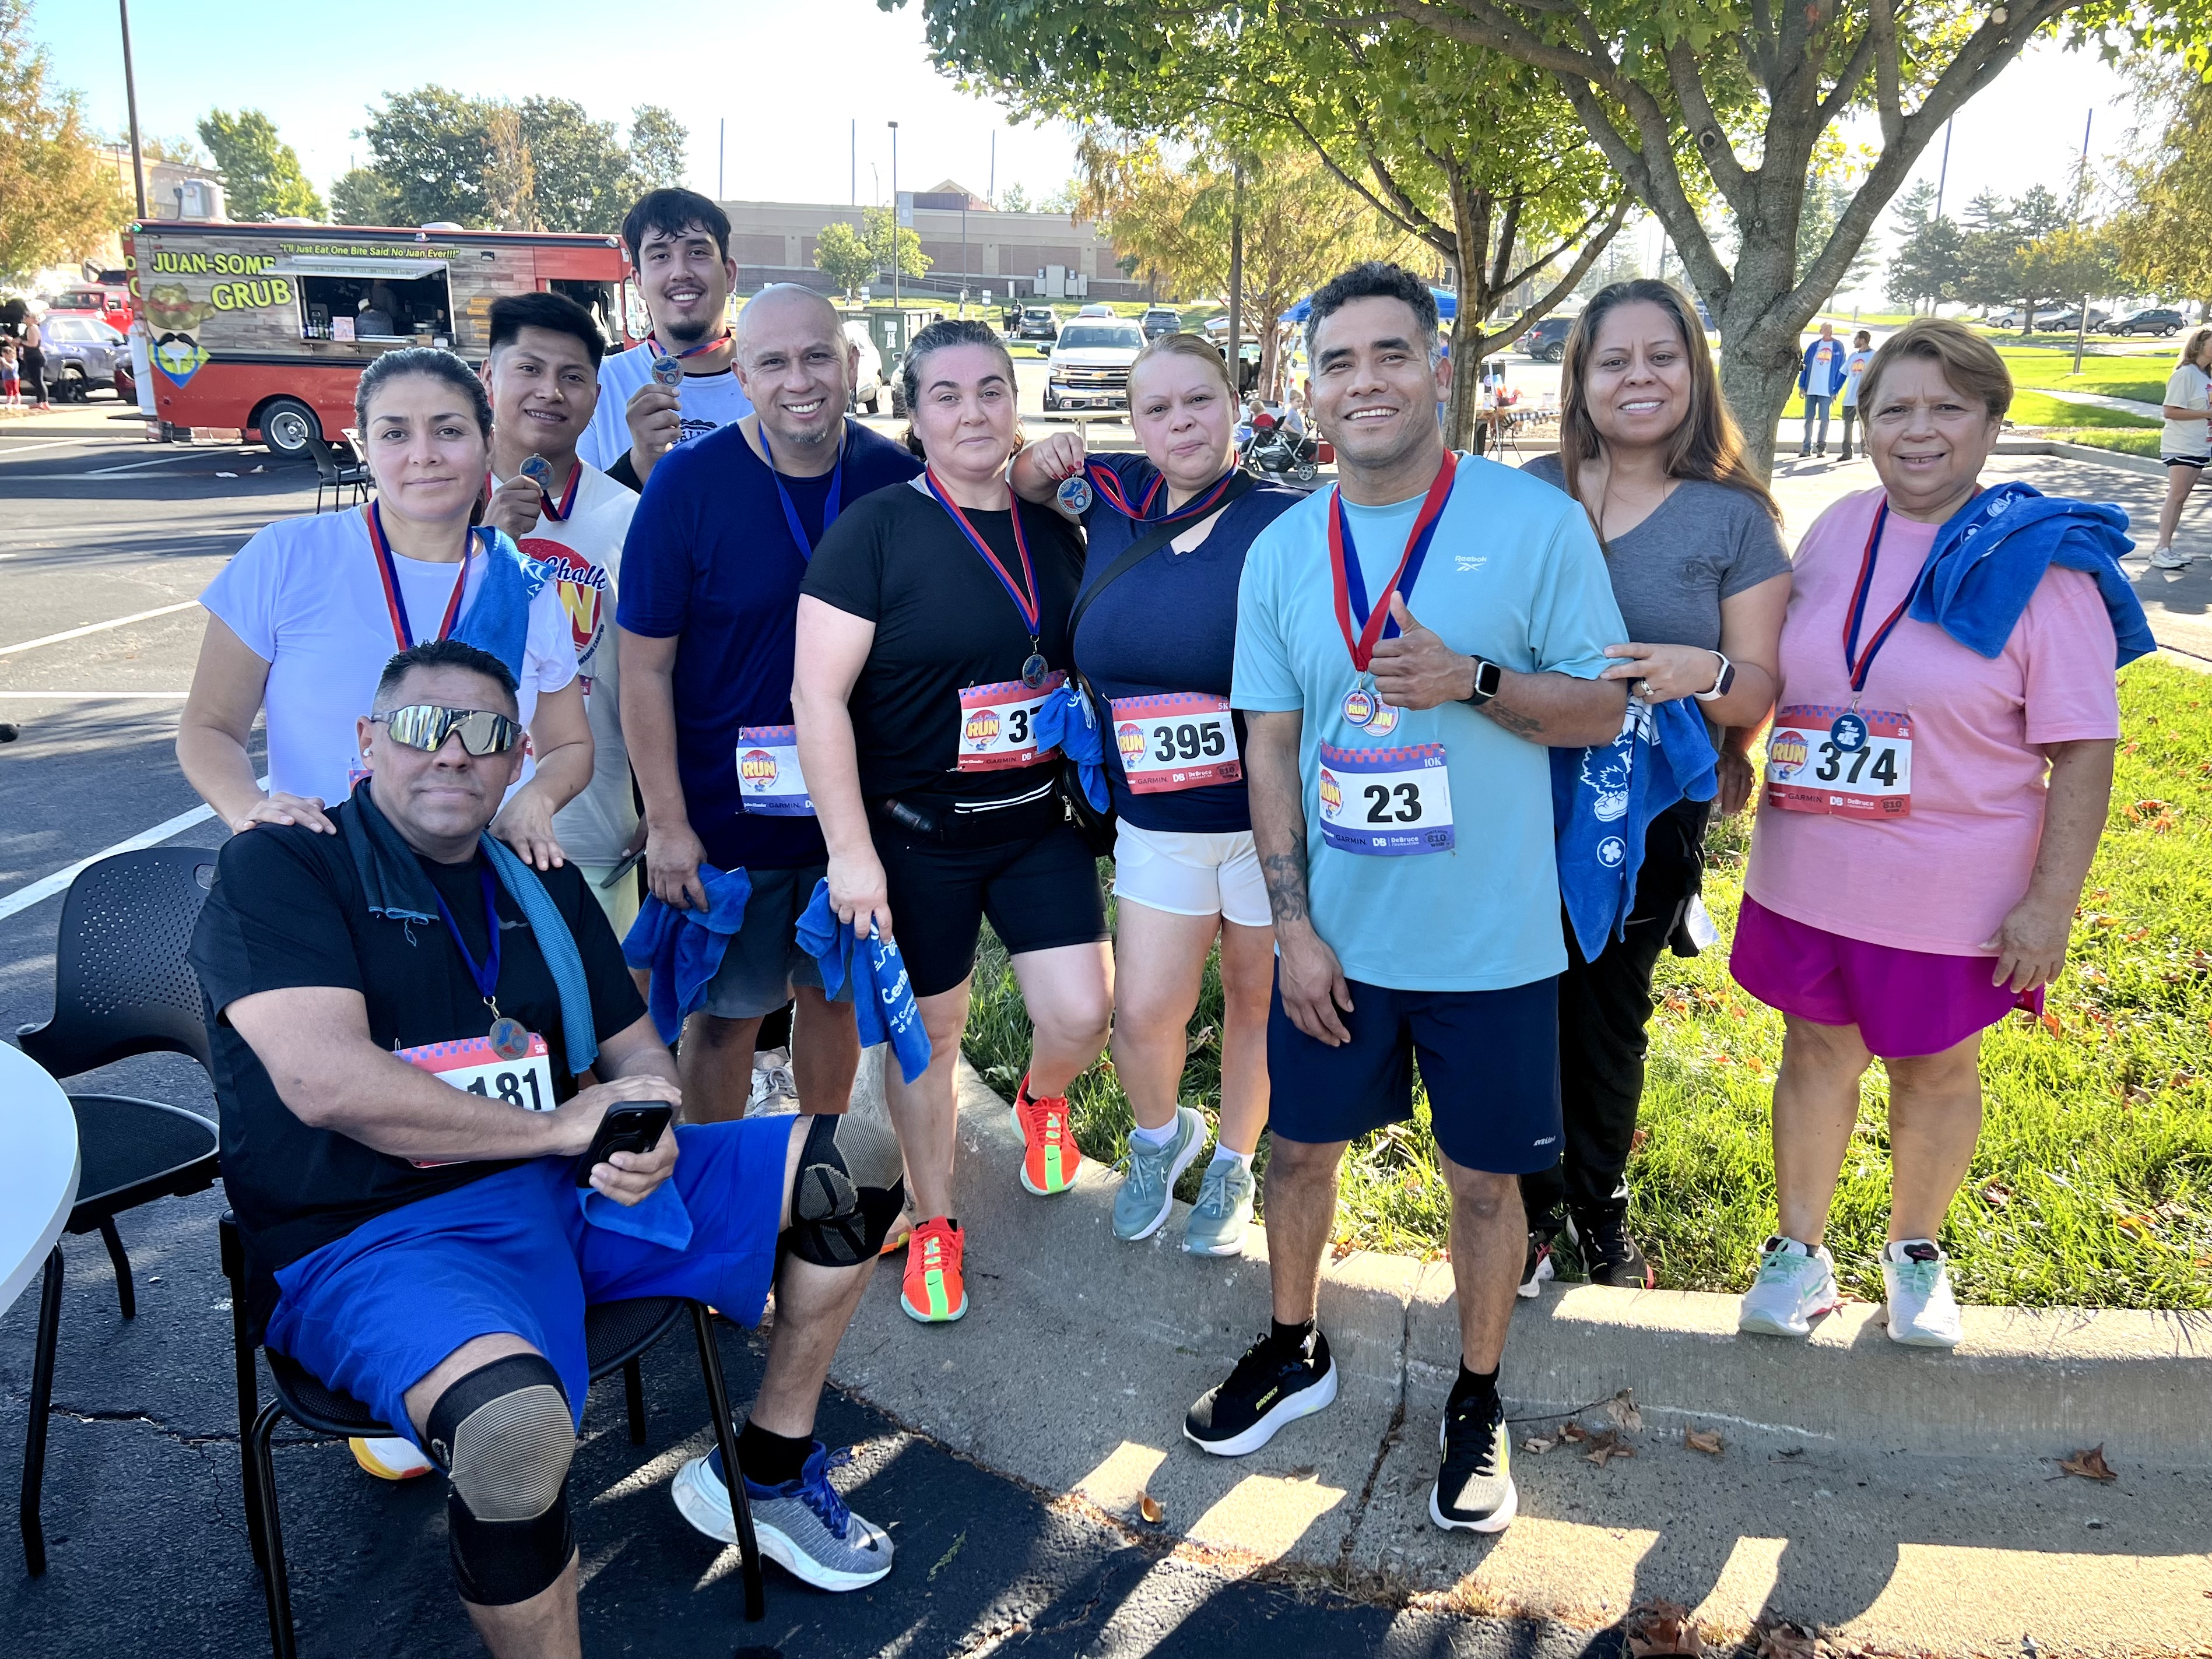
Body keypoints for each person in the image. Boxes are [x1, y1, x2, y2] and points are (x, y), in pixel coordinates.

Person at [191, 640, 901, 1658]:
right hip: (376, 1237)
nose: (451, 755)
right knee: (512, 1432)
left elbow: (641, 1058)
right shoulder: (284, 864)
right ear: (367, 741)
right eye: (423, 726)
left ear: (516, 756)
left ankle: (770, 1468)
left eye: (482, 734)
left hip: (569, 1192)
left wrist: (648, 1131)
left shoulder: (538, 880)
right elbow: (324, 1082)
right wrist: (560, 1128)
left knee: (854, 1166)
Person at [1191, 263, 1626, 1538]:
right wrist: (1294, 928)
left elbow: (1603, 708)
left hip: (1490, 945)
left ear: (1441, 369)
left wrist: (1474, 678)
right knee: (1297, 1150)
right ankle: (1292, 1345)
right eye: (1339, 362)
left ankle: (1477, 1397)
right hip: (1341, 942)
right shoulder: (1283, 550)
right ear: (1309, 388)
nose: (1365, 381)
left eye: (1391, 355)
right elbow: (1268, 745)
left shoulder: (1531, 524)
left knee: (1484, 1186)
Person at [1734, 319, 2136, 1349]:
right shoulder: (1834, 528)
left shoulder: (2041, 565)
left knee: (1932, 1067)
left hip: (1949, 887)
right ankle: (1798, 1250)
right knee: (1814, 1052)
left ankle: (1913, 1250)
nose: (1917, 432)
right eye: (1893, 409)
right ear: (1863, 423)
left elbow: (2083, 749)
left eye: (1946, 408)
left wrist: (2047, 905)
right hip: (1807, 868)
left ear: (1990, 423)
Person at [793, 319, 1112, 1324]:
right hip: (913, 833)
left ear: (1014, 400)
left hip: (1033, 820)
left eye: (989, 390)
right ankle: (934, 1220)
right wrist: (850, 851)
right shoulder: (877, 530)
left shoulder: (1057, 525)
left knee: (1078, 1014)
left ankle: (1040, 1096)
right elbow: (815, 697)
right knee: (927, 1040)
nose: (970, 412)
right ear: (913, 410)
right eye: (945, 394)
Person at [1517, 279, 1790, 1291]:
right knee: (1517, 997)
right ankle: (1524, 1205)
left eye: (1660, 357)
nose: (1637, 377)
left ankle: (1596, 1210)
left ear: (1693, 373)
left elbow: (1755, 691)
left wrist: (1704, 672)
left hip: (1644, 813)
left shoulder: (1732, 519)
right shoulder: (1527, 490)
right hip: (1515, 792)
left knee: (1602, 1010)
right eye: (1612, 360)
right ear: (1578, 378)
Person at [1009, 334, 1303, 1255]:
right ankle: (1156, 1139)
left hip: (1267, 823)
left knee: (1255, 1004)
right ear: (1132, 422)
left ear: (1235, 404)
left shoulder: (1288, 521)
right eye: (1158, 409)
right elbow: (1021, 480)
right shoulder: (1116, 497)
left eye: (1198, 402)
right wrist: (1038, 458)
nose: (1179, 423)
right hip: (1156, 822)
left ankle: (1234, 1164)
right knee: (1142, 1009)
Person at [618, 286, 919, 1123]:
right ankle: (726, 1195)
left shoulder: (895, 482)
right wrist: (670, 823)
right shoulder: (686, 486)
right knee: (725, 1020)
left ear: (852, 366)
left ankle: (811, 1167)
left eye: (818, 356)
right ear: (742, 377)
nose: (800, 380)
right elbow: (641, 669)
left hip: (856, 821)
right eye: (774, 362)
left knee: (831, 1001)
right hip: (729, 820)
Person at [179, 347, 589, 868]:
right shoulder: (285, 557)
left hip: (479, 879)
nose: (424, 454)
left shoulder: (527, 586)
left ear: (489, 445)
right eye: (395, 433)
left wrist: (537, 799)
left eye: (448, 431)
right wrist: (251, 812)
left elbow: (570, 745)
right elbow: (209, 727)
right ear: (365, 448)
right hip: (323, 879)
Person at [479, 292, 643, 933]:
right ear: (488, 377)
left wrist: (661, 801)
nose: (550, 391)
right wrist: (488, 549)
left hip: (597, 829)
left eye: (572, 376)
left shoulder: (627, 515)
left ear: (595, 396)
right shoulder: (435, 509)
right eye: (529, 368)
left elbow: (654, 673)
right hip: (457, 830)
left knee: (610, 1026)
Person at [580, 189, 752, 491]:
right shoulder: (598, 385)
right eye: (660, 256)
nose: (680, 272)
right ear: (639, 282)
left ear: (729, 274)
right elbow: (581, 523)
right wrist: (640, 462)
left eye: (697, 252)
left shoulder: (772, 381)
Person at [2148, 326, 2211, 570]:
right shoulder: (2185, 374)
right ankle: (2162, 549)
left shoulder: (2205, 376)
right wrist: (2207, 413)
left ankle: (2166, 549)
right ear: (2199, 345)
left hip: (2200, 445)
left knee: (2181, 495)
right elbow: (2170, 411)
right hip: (2181, 444)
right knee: (2177, 495)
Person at [1797, 322, 1847, 459]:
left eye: (1830, 329)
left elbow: (1841, 369)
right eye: (1825, 329)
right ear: (1821, 331)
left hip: (1827, 390)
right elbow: (1805, 367)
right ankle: (1806, 448)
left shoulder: (1837, 346)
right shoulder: (1814, 346)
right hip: (1811, 389)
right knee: (1809, 419)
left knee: (1824, 419)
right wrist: (1802, 386)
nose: (1828, 331)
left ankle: (1821, 448)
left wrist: (1836, 389)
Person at [1836, 329, 1876, 462]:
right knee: (1848, 425)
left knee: (1865, 426)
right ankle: (1847, 452)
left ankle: (1866, 450)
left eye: (1856, 339)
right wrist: (1835, 389)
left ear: (1863, 340)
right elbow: (1843, 374)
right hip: (1849, 398)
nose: (1854, 341)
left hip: (1865, 398)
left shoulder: (1874, 357)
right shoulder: (1853, 356)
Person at [20, 314, 48, 411]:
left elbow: (33, 344)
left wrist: (21, 341)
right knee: (37, 380)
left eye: (27, 316)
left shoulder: (32, 328)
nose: (25, 318)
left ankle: (43, 402)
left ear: (32, 319)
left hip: (34, 357)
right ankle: (41, 401)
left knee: (38, 380)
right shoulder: (35, 328)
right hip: (36, 357)